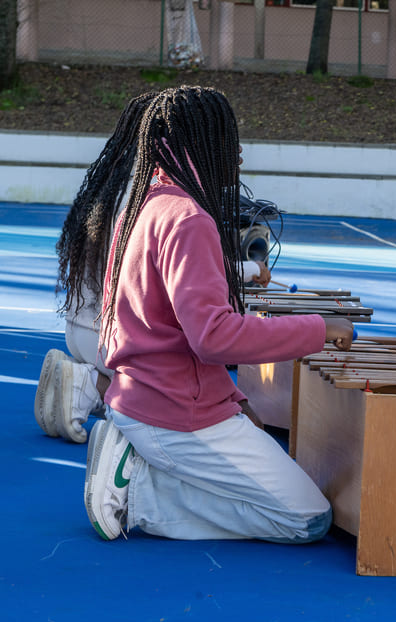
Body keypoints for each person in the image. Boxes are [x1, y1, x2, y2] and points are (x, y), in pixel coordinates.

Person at [85, 86, 354, 544]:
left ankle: (140, 461)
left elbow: (160, 329)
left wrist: (230, 397)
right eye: (230, 139)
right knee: (306, 519)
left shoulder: (144, 204)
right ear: (198, 146)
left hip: (142, 400)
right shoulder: (189, 219)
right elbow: (214, 337)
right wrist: (319, 328)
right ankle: (140, 494)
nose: (241, 155)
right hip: (170, 414)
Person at [34, 92, 273, 444]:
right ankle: (95, 391)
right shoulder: (156, 194)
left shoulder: (116, 181)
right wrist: (250, 272)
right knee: (185, 381)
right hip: (111, 339)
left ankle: (91, 384)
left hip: (84, 329)